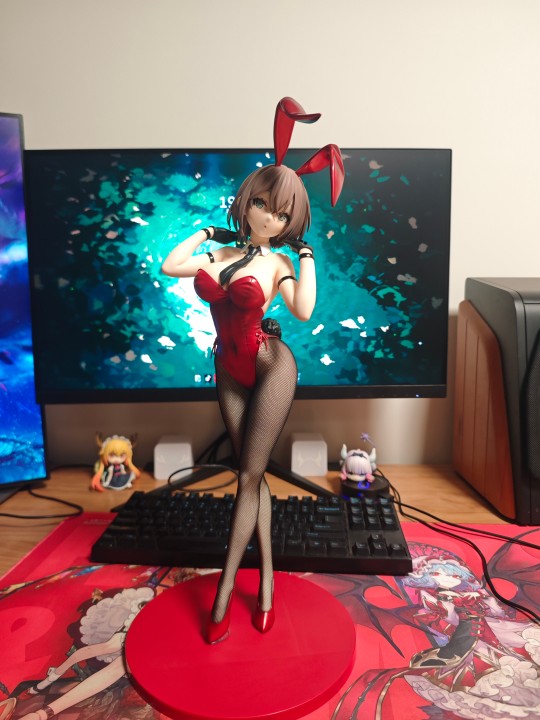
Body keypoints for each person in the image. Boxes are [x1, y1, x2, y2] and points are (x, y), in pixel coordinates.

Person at [161, 97, 343, 644]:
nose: (269, 218)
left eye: (282, 214)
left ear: (291, 222)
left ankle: (223, 596)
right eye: (262, 204)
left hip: (270, 365)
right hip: (228, 367)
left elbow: (304, 311)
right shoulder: (219, 255)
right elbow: (170, 265)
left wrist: (305, 257)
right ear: (247, 202)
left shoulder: (280, 262)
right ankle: (265, 583)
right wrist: (206, 233)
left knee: (245, 476)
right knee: (252, 476)